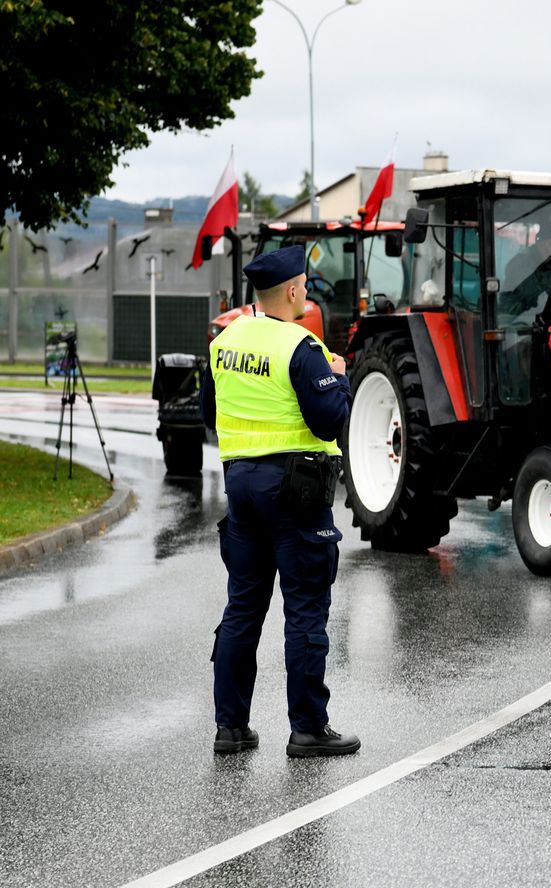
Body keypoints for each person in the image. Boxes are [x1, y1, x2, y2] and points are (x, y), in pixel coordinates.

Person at [200, 244, 360, 758]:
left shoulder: (225, 341)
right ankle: (309, 728)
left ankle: (232, 728)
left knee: (243, 607)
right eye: (305, 285)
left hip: (241, 487)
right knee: (306, 609)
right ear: (291, 290)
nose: (307, 292)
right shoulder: (302, 346)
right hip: (295, 490)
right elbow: (328, 420)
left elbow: (210, 410)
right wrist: (338, 375)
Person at [498, 224, 551, 318]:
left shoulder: (549, 265)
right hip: (513, 316)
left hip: (536, 315)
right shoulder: (522, 263)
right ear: (546, 243)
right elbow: (533, 295)